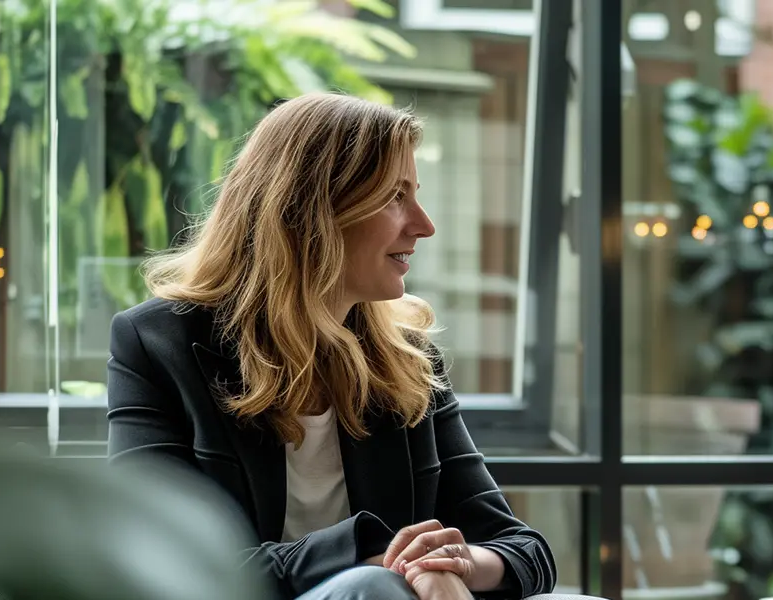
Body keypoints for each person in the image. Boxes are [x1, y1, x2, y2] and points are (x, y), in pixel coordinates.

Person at [105, 92, 558, 600]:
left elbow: (521, 547)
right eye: (395, 196)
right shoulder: (157, 343)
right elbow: (169, 559)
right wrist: (379, 560)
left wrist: (450, 564)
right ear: (313, 208)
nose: (425, 226)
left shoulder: (407, 356)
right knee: (373, 588)